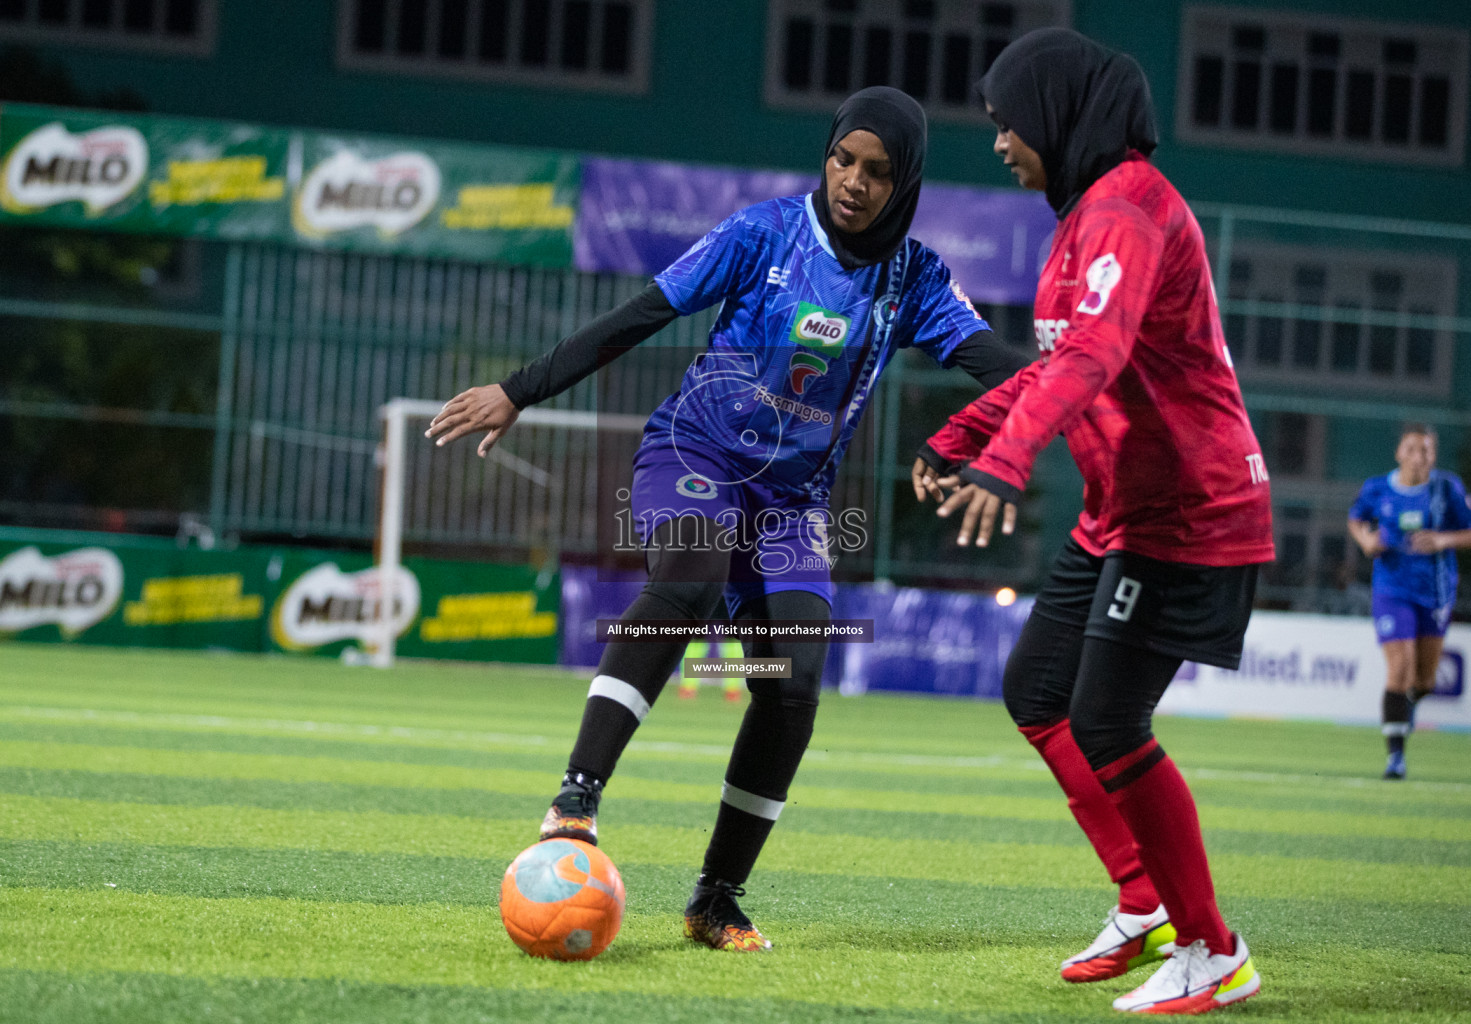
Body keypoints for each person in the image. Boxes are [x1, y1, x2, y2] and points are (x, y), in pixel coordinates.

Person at [427, 86, 1028, 952]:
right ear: (825, 155)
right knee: (691, 577)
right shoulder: (762, 233)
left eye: (877, 170)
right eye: (842, 159)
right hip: (693, 457)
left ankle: (716, 898)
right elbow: (640, 315)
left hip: (789, 507)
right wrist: (517, 390)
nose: (853, 182)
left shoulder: (916, 280)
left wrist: (1089, 394)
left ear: (906, 182)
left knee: (792, 683)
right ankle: (574, 800)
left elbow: (1003, 374)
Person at [910, 29, 1273, 1015]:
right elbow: (1054, 361)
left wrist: (1005, 459)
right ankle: (1142, 895)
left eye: (1006, 119)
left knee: (1109, 719)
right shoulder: (1080, 219)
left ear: (1061, 111)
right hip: (1122, 510)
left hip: (1188, 509)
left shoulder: (1127, 208)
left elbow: (1091, 359)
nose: (997, 141)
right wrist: (965, 430)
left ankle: (1213, 947)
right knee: (1038, 690)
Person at [1348, 423, 1471, 780]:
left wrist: (1443, 540)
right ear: (1399, 453)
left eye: (1427, 450)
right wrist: (1367, 541)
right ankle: (1396, 758)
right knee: (1399, 667)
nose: (1420, 457)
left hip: (1435, 592)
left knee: (1425, 680)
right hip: (1391, 589)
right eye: (1413, 449)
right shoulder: (1378, 488)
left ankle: (1410, 705)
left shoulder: (1446, 489)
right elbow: (1357, 519)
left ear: (1434, 455)